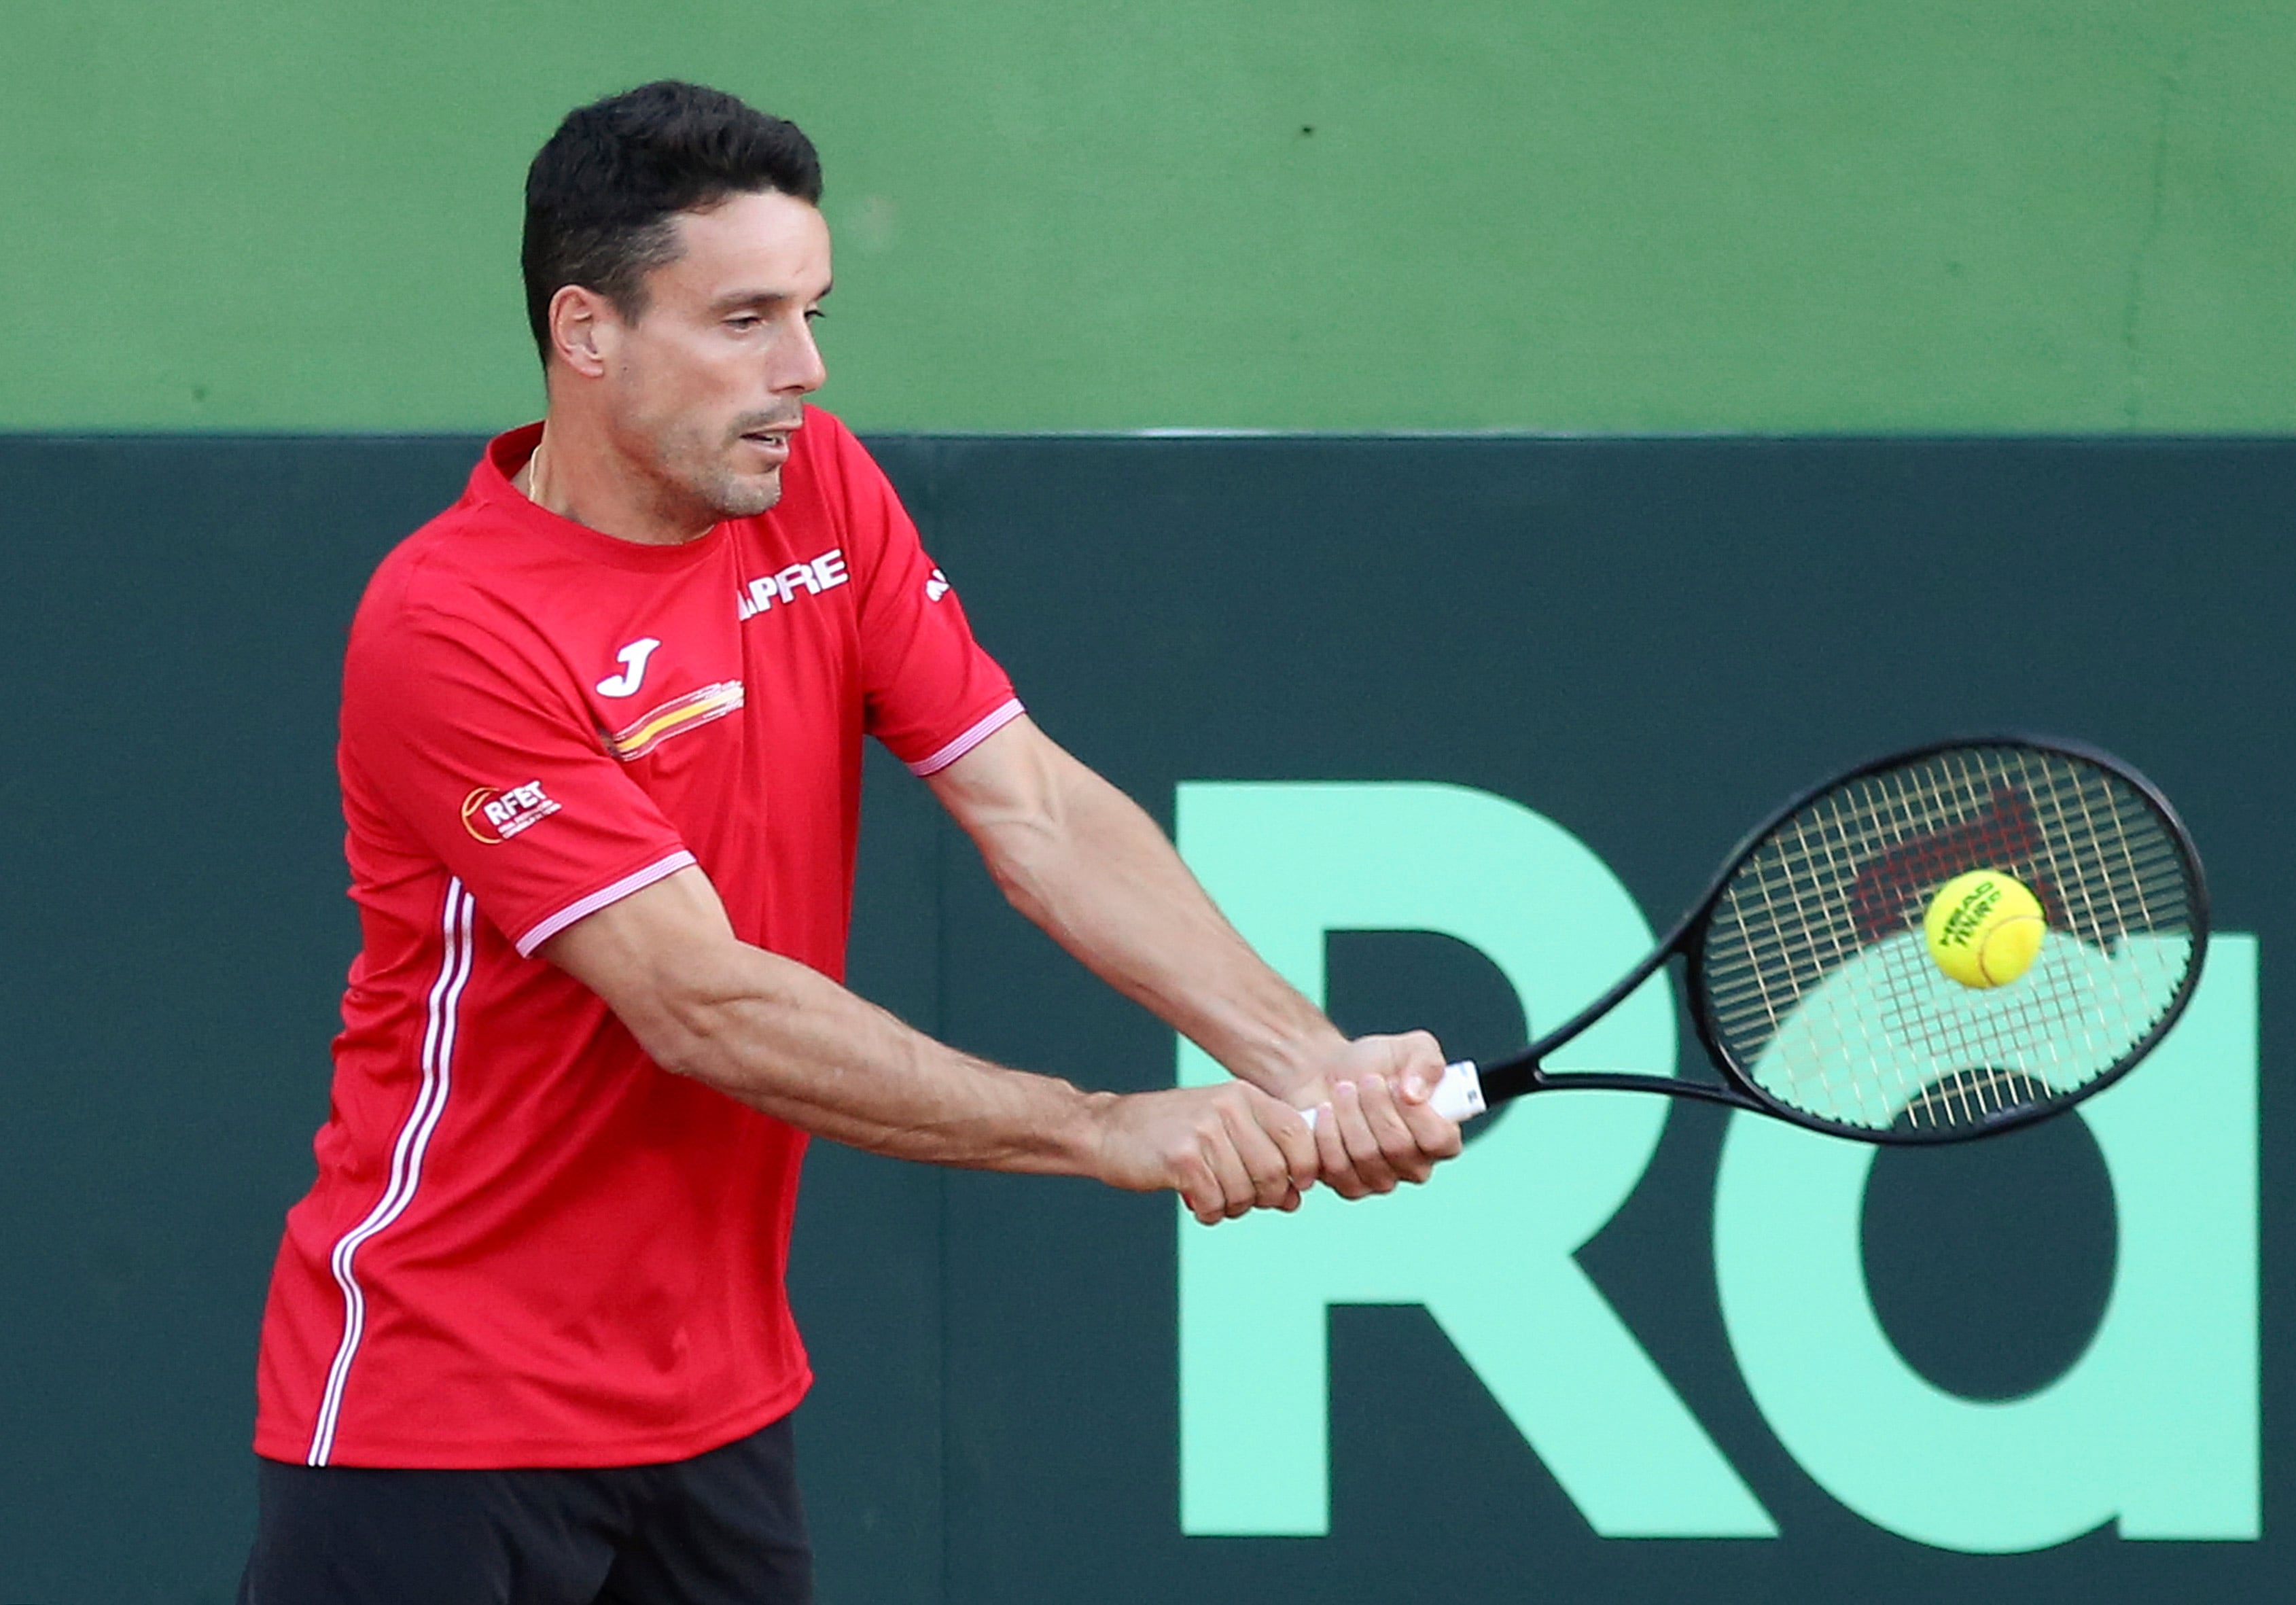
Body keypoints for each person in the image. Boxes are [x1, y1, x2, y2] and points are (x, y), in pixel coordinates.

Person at [240, 80, 1462, 1604]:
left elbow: (1032, 804)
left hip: (719, 1408)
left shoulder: (812, 489)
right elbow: (700, 1000)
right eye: (744, 319)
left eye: (811, 311)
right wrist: (1099, 1125)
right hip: (440, 1416)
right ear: (586, 330)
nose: (802, 370)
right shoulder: (451, 622)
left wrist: (1305, 1056)